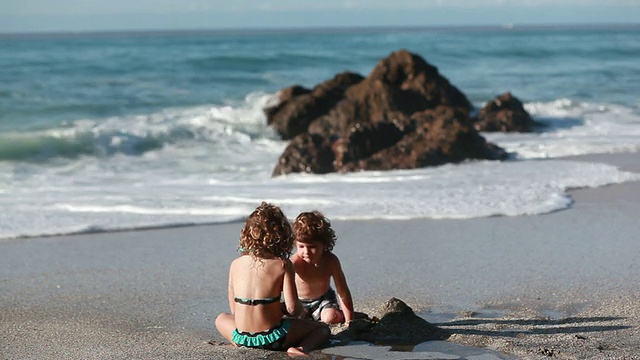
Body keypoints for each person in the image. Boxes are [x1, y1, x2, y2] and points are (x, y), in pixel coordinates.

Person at [215, 202, 330, 357]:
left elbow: (235, 311)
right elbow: (293, 310)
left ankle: (242, 343)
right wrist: (281, 310)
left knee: (220, 318)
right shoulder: (283, 264)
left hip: (242, 336)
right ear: (282, 236)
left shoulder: (235, 264)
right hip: (274, 339)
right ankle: (301, 349)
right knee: (321, 329)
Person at [291, 210, 354, 325]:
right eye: (301, 246)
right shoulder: (294, 262)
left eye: (312, 247)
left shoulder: (331, 261)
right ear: (295, 244)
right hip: (299, 301)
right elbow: (278, 286)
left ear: (324, 244)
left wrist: (350, 320)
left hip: (323, 300)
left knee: (331, 318)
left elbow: (343, 291)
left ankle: (338, 314)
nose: (306, 252)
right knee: (291, 321)